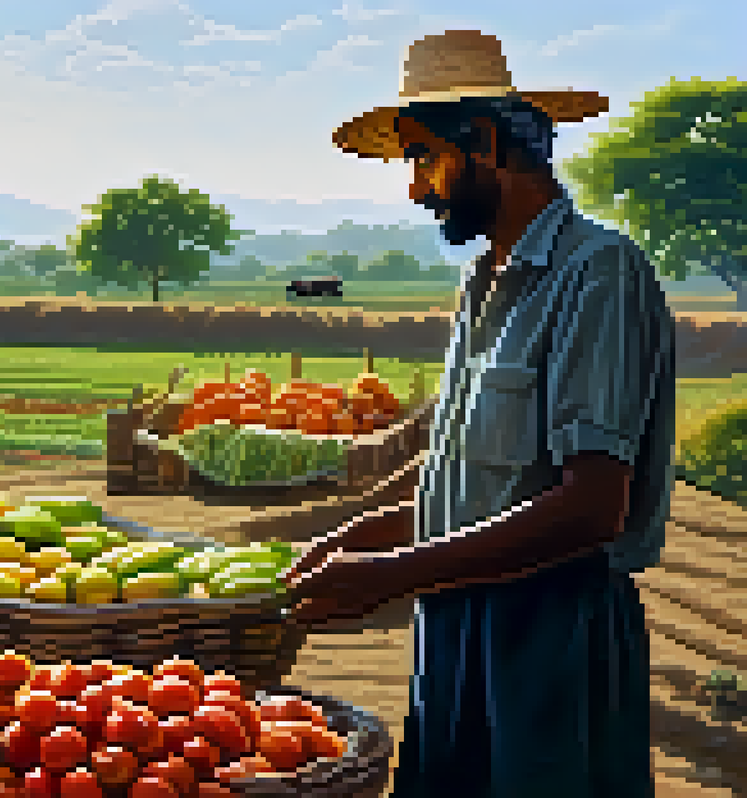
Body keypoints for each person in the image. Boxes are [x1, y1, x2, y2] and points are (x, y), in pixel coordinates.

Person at [282, 30, 676, 798]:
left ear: (487, 142)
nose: (415, 189)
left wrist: (390, 575)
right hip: (454, 629)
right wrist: (361, 536)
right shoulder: (482, 282)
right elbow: (478, 482)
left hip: (551, 641)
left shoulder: (599, 273)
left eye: (424, 157)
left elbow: (591, 509)